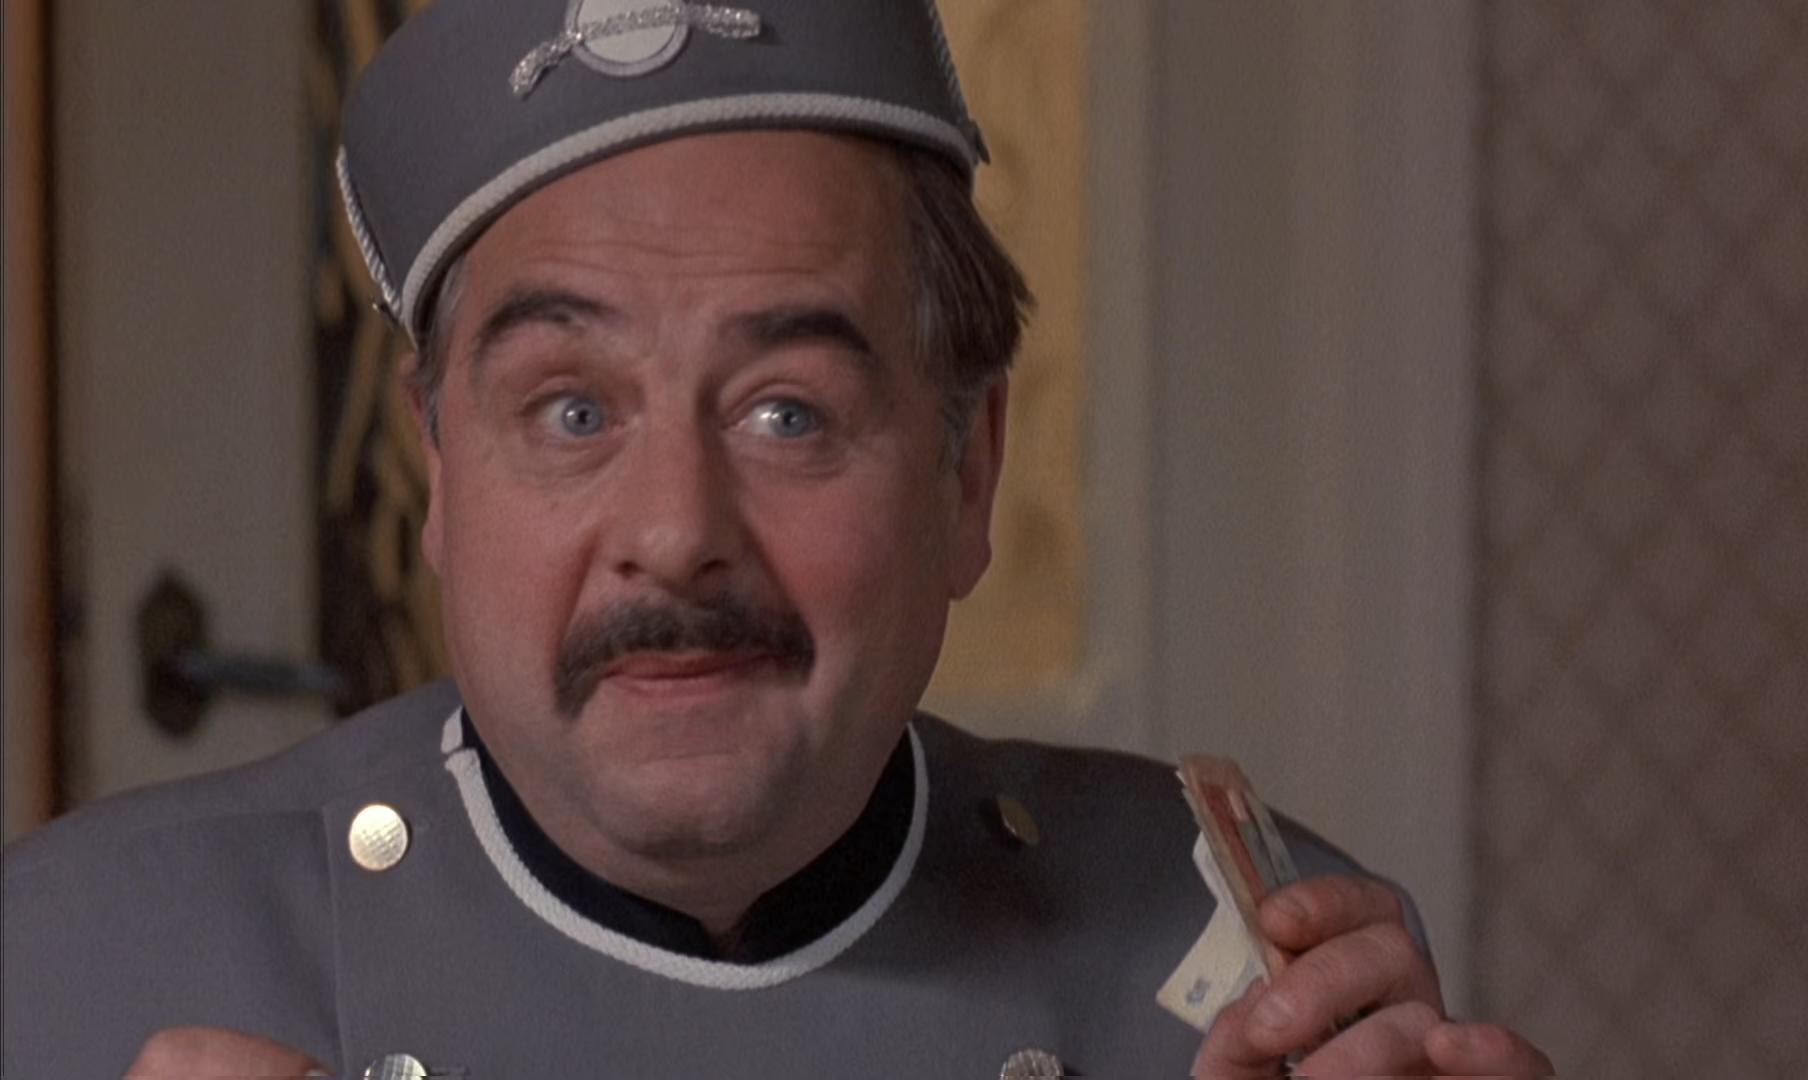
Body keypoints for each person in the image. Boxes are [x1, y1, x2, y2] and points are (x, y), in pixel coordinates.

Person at [3, 2, 1551, 1076]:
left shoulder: (1265, 974)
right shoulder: (69, 969)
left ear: (966, 474)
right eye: (571, 411)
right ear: (441, 478)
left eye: (786, 412)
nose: (677, 535)